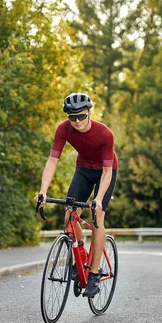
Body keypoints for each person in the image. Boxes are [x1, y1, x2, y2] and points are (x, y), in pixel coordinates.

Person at [35, 92, 118, 298]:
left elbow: (107, 172)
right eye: (73, 118)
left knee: (97, 218)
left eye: (81, 116)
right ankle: (79, 257)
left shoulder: (105, 134)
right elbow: (52, 160)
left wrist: (98, 199)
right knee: (70, 216)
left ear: (89, 113)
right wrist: (43, 191)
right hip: (83, 169)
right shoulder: (63, 129)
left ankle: (94, 274)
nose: (77, 121)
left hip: (105, 171)